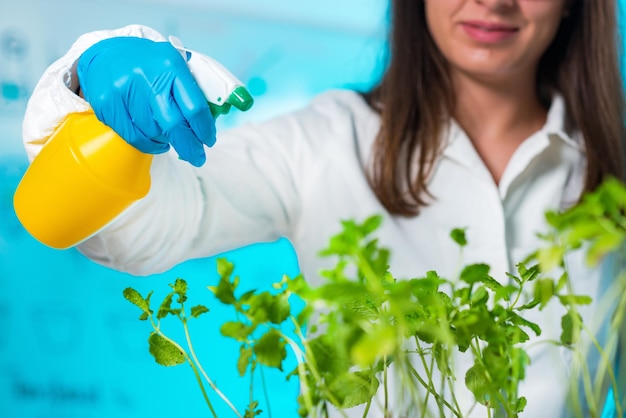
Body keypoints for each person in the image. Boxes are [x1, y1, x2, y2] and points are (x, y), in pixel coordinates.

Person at [21, 0, 626, 416]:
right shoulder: (325, 142)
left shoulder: (613, 172)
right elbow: (131, 232)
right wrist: (91, 82)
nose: (491, 0)